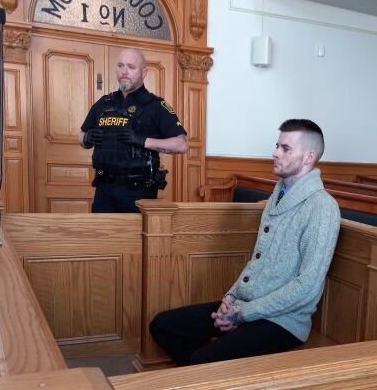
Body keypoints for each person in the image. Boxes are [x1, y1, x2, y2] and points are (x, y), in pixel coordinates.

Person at [148, 119, 341, 366]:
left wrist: (242, 314)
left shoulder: (322, 207)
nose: (274, 153)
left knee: (202, 361)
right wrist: (230, 297)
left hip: (284, 321)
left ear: (308, 157)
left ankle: (205, 373)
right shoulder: (278, 194)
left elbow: (307, 287)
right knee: (164, 325)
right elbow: (257, 261)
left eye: (285, 148)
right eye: (277, 145)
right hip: (245, 306)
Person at [79, 49, 187, 213]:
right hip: (104, 190)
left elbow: (181, 144)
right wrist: (87, 138)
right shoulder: (103, 103)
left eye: (131, 67)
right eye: (121, 66)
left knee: (134, 239)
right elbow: (80, 136)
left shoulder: (156, 106)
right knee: (102, 237)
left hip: (139, 192)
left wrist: (143, 141)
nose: (124, 71)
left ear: (144, 72)